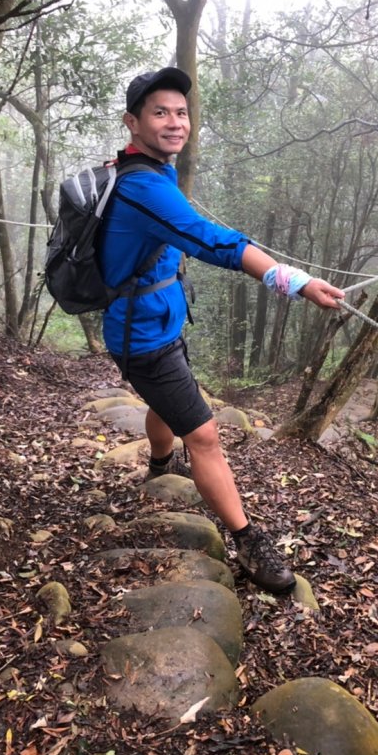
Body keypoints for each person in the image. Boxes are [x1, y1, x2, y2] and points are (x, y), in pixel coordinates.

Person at [98, 67, 345, 594]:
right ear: (132, 122)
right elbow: (211, 240)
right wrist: (293, 280)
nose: (175, 122)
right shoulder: (141, 184)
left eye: (181, 112)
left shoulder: (146, 169)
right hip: (141, 335)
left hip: (155, 321)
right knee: (205, 435)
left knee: (167, 400)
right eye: (160, 113)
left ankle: (160, 465)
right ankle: (248, 540)